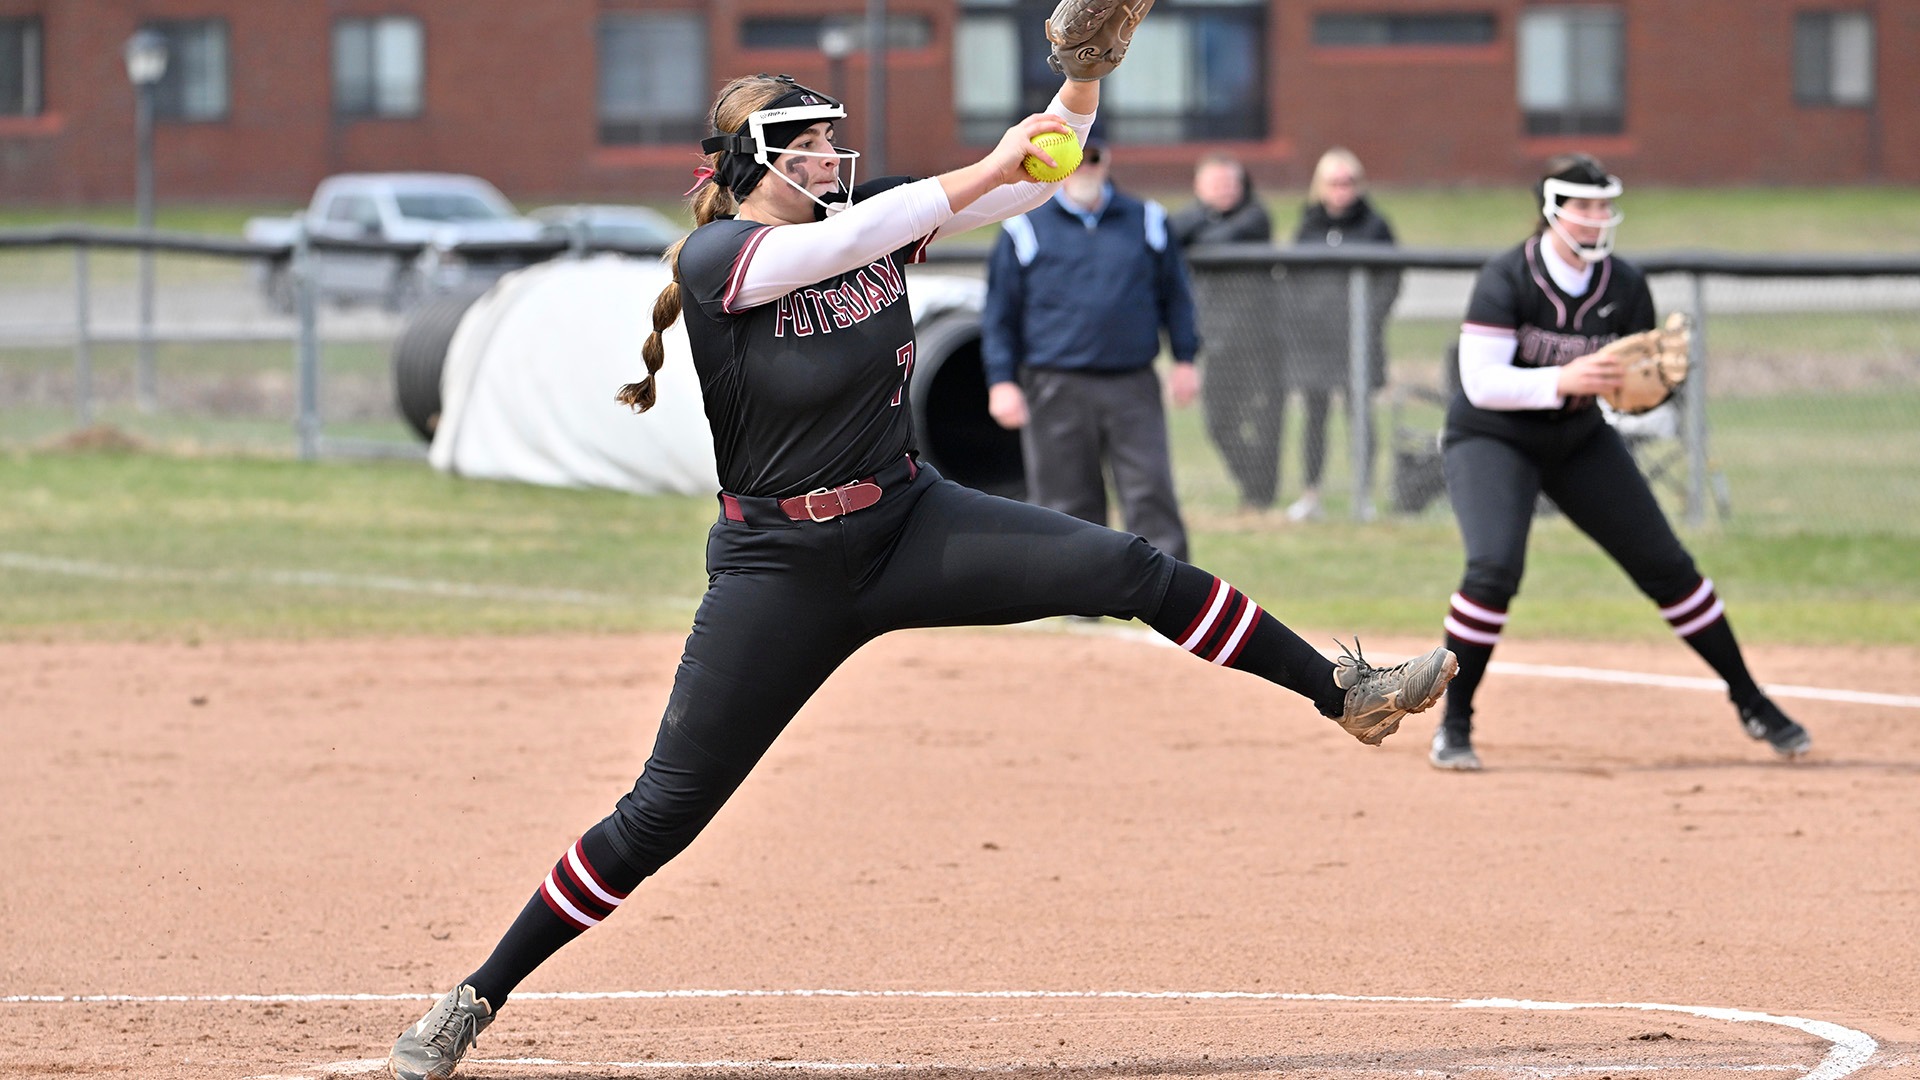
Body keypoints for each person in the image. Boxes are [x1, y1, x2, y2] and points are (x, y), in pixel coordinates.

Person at [384, 62, 1459, 1080]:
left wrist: (1080, 83)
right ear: (753, 159)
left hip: (907, 522)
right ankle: (476, 997)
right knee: (659, 815)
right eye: (806, 145)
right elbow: (872, 230)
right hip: (780, 568)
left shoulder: (862, 226)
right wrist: (976, 172)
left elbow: (1036, 177)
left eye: (827, 145)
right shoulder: (722, 262)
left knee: (1132, 566)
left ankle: (1342, 690)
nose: (828, 158)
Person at [1427, 153, 1810, 772]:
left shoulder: (1626, 286)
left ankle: (1752, 701)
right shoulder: (1508, 276)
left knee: (1668, 567)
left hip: (1577, 435)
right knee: (1493, 569)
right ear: (1551, 209)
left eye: (1604, 205)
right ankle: (1454, 723)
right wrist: (1565, 376)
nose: (1597, 217)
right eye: (1584, 206)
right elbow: (1481, 382)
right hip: (1493, 436)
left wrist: (1650, 394)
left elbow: (1632, 395)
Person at [981, 136, 1200, 560]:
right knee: (1065, 498)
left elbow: (1176, 296)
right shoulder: (1024, 226)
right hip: (1054, 382)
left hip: (1131, 380)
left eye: (1092, 156)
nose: (1084, 167)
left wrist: (1186, 359)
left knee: (1150, 490)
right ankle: (1075, 600)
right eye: (1073, 159)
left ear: (1107, 160)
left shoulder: (1147, 218)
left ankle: (1172, 595)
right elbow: (999, 315)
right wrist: (1001, 382)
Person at [1278, 148, 1401, 522]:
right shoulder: (1308, 224)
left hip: (1358, 340)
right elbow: (1291, 280)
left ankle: (1362, 495)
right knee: (1314, 418)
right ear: (1321, 185)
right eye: (1334, 182)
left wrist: (1368, 318)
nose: (1341, 190)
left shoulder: (1375, 226)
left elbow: (1390, 281)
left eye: (1348, 182)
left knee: (1360, 416)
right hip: (1314, 342)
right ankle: (1311, 493)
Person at [1168, 154, 1287, 513]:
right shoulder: (1192, 216)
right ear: (1198, 188)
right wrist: (1204, 217)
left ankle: (1260, 497)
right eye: (1215, 185)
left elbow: (1216, 240)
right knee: (1218, 422)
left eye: (1230, 185)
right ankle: (1254, 485)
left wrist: (1200, 227)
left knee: (1265, 422)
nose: (1224, 192)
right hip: (1215, 340)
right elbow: (1169, 233)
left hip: (1260, 340)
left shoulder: (1255, 216)